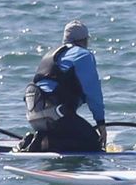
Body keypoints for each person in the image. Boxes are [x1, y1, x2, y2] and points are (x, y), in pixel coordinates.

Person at [23, 21, 108, 153]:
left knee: (69, 132)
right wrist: (101, 122)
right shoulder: (83, 55)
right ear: (84, 40)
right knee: (93, 144)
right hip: (55, 115)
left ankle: (37, 139)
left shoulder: (51, 55)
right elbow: (93, 92)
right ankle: (45, 143)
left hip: (34, 116)